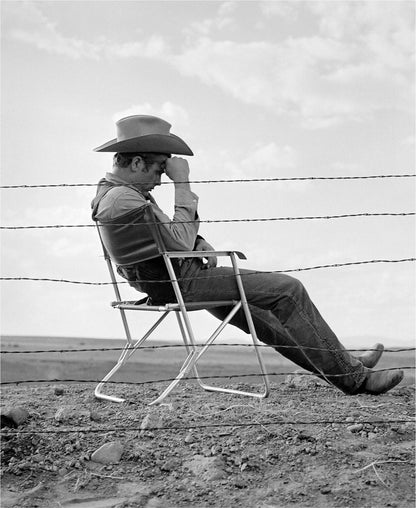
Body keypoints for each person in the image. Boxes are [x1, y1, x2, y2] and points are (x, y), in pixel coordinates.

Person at [92, 115, 404, 395]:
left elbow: (163, 238)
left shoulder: (117, 196)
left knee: (264, 318)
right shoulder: (124, 199)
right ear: (135, 164)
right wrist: (183, 184)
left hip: (169, 280)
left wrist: (197, 241)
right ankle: (354, 378)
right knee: (287, 290)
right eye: (159, 169)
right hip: (181, 282)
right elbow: (176, 241)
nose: (162, 179)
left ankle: (344, 365)